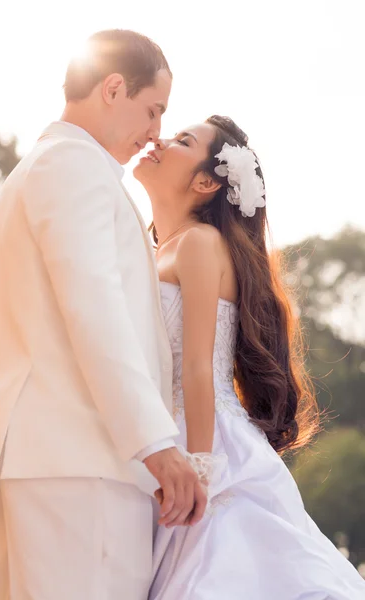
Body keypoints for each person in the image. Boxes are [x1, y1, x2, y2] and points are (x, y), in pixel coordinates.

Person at [0, 30, 207, 600]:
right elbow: (94, 309)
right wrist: (156, 443)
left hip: (46, 459)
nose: (155, 132)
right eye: (153, 111)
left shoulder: (41, 168)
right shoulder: (75, 168)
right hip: (78, 460)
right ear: (113, 86)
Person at [134, 115, 365, 599]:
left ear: (204, 182)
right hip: (160, 432)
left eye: (181, 140)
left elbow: (197, 365)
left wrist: (199, 469)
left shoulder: (199, 243)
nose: (158, 139)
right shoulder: (157, 248)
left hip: (206, 437)